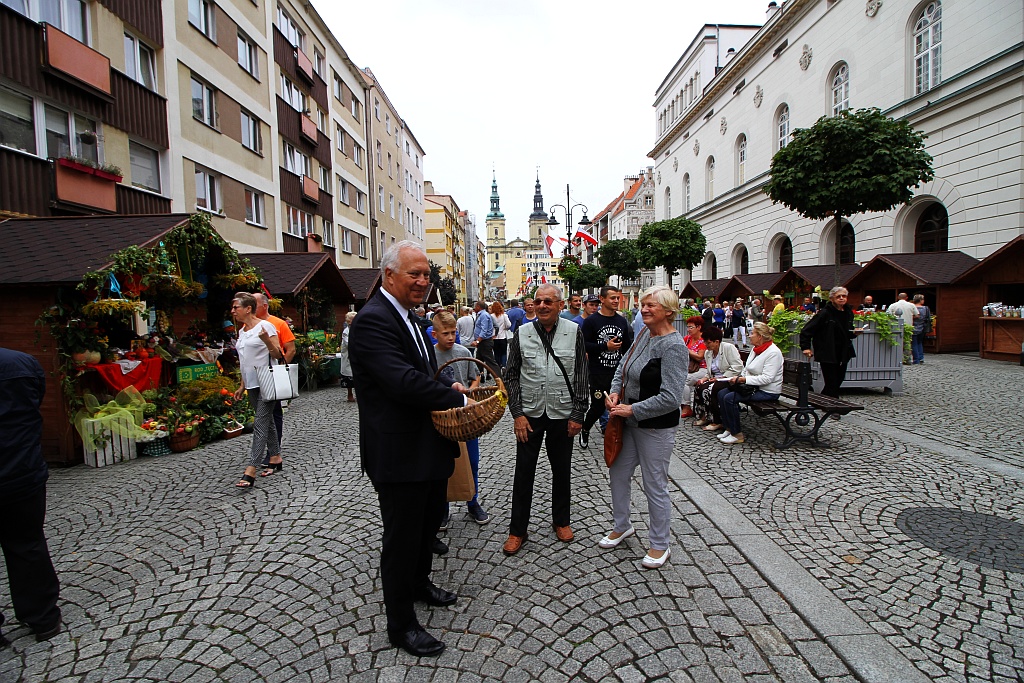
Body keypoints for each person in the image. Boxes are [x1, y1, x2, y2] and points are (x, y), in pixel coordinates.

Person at [348, 241, 469, 657]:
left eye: (426, 274)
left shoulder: (411, 318)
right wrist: (458, 401)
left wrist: (444, 385)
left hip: (426, 445)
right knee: (401, 538)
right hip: (399, 453)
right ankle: (401, 624)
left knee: (424, 528)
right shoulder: (373, 320)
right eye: (414, 274)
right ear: (388, 275)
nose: (422, 281)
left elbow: (421, 372)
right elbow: (400, 382)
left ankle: (420, 585)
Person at [600, 286, 688, 570]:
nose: (644, 309)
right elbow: (621, 369)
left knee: (655, 485)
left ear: (669, 312)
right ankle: (622, 525)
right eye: (643, 305)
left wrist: (632, 409)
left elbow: (671, 397)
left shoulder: (674, 346)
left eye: (651, 305)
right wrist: (615, 394)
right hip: (628, 421)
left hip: (655, 428)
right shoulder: (643, 335)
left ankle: (660, 544)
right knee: (618, 473)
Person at [503, 284, 588, 556]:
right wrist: (517, 414)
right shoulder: (522, 333)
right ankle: (518, 530)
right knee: (523, 473)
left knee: (562, 471)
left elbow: (582, 375)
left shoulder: (574, 331)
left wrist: (578, 414)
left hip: (562, 415)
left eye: (548, 302)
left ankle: (561, 521)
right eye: (538, 301)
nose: (542, 306)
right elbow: (511, 374)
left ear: (559, 305)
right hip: (530, 414)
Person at [0, 348, 62, 645]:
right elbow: (36, 398)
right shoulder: (20, 362)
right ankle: (43, 617)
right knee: (28, 544)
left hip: (21, 469)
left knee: (27, 542)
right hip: (22, 470)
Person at [430, 311, 489, 524]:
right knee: (442, 463)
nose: (450, 337)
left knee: (472, 461)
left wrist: (470, 391)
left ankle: (472, 502)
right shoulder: (430, 356)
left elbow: (476, 378)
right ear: (435, 334)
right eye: (445, 333)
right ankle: (443, 507)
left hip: (465, 417)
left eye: (453, 332)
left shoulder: (463, 351)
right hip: (442, 418)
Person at [231, 293, 283, 488]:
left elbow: (278, 354)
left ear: (248, 308)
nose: (233, 311)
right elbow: (244, 361)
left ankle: (251, 468)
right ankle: (276, 457)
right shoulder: (242, 331)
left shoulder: (266, 326)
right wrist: (242, 385)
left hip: (267, 380)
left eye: (236, 307)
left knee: (260, 423)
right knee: (267, 421)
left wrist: (266, 340)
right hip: (251, 383)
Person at [580, 286, 633, 449]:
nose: (616, 301)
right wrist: (605, 347)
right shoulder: (591, 321)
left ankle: (616, 435)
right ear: (602, 299)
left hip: (617, 372)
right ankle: (585, 428)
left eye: (618, 298)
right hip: (598, 372)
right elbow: (583, 345)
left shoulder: (622, 321)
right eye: (612, 298)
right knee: (597, 406)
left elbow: (628, 347)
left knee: (618, 405)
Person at [715, 322, 785, 444]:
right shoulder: (756, 349)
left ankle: (737, 434)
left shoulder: (773, 352)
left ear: (760, 337)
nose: (749, 336)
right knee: (722, 394)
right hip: (752, 387)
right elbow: (747, 368)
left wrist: (744, 380)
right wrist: (739, 377)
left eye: (752, 333)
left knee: (730, 398)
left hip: (767, 391)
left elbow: (767, 378)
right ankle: (729, 428)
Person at [255, 292, 296, 476]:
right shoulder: (248, 326)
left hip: (272, 374)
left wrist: (279, 370)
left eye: (253, 303)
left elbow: (290, 349)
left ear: (264, 305)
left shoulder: (279, 324)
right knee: (265, 415)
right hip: (256, 378)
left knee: (274, 413)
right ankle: (271, 450)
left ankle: (273, 451)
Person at [800, 286, 865, 398]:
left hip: (843, 350)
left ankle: (823, 399)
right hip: (827, 350)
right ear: (832, 299)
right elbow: (807, 330)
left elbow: (847, 331)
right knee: (832, 381)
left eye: (843, 296)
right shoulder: (825, 313)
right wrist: (805, 347)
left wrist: (854, 333)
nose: (841, 298)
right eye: (838, 296)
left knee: (839, 379)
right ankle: (835, 408)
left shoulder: (848, 312)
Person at [691, 326, 744, 430]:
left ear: (717, 341)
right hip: (716, 379)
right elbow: (710, 371)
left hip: (729, 378)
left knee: (711, 389)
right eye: (705, 342)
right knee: (699, 387)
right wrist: (704, 378)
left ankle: (717, 420)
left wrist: (722, 377)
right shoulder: (708, 352)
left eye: (708, 342)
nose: (706, 345)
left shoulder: (728, 348)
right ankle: (705, 415)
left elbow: (738, 366)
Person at [678, 316, 708, 418]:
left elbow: (700, 357)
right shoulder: (687, 339)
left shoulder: (703, 340)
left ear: (698, 327)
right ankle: (682, 405)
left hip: (703, 369)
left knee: (684, 380)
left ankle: (686, 407)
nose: (688, 329)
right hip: (688, 368)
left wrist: (687, 350)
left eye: (691, 327)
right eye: (688, 327)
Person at [887, 293, 918, 364]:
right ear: (906, 297)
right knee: (907, 343)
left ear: (898, 297)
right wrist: (910, 317)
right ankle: (907, 359)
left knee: (897, 342)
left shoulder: (893, 305)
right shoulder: (911, 305)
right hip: (908, 326)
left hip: (896, 326)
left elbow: (888, 314)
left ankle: (896, 359)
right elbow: (917, 315)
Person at [471, 300, 499, 376]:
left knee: (490, 362)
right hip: (482, 342)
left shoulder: (484, 315)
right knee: (478, 361)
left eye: (475, 307)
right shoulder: (481, 315)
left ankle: (500, 380)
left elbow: (484, 330)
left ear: (478, 307)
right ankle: (477, 377)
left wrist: (477, 341)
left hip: (485, 342)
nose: (474, 308)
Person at [340, 311, 357, 402]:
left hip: (358, 354)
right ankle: (349, 394)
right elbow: (348, 343)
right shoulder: (346, 332)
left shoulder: (359, 328)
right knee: (349, 375)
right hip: (349, 355)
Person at [490, 300, 512, 369]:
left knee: (496, 353)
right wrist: (504, 328)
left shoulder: (491, 316)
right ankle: (504, 366)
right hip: (503, 337)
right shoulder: (504, 316)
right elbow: (509, 325)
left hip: (494, 337)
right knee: (503, 353)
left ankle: (498, 366)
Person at [912, 294, 932, 364]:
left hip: (913, 327)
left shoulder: (912, 307)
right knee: (920, 342)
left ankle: (916, 359)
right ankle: (921, 357)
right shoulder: (926, 308)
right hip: (922, 327)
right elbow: (928, 318)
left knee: (914, 343)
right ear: (920, 300)